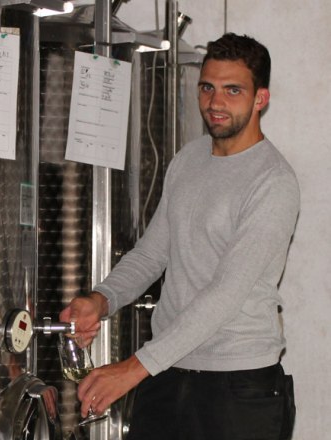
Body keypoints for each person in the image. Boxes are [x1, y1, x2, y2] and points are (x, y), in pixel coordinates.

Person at [60, 33, 298, 440]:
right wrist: (101, 300)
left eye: (232, 90)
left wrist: (131, 369)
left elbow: (225, 294)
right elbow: (152, 254)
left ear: (261, 98)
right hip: (169, 374)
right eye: (207, 87)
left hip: (238, 388)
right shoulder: (188, 159)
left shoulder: (272, 181)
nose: (215, 102)